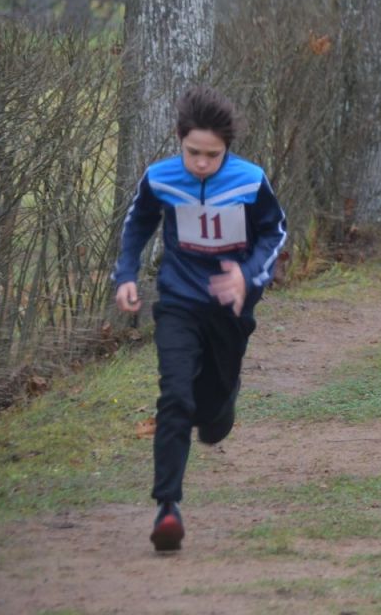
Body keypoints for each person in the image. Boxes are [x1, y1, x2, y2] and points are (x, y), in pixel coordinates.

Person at [112, 86, 287, 552]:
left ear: (227, 149)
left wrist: (247, 277)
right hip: (179, 301)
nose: (202, 164)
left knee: (210, 415)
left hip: (230, 309)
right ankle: (167, 507)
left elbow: (275, 231)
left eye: (213, 155)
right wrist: (125, 274)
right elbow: (137, 225)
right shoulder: (161, 177)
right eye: (193, 153)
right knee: (174, 396)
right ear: (179, 140)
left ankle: (222, 405)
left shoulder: (250, 180)